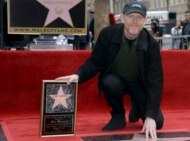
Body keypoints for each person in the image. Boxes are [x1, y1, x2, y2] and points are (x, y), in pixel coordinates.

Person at [56, 1, 164, 139]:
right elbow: (95, 62)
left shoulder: (151, 44)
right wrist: (78, 75)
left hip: (138, 85)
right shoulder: (108, 34)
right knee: (109, 82)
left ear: (145, 21)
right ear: (123, 18)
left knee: (158, 122)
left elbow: (155, 81)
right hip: (116, 80)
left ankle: (137, 107)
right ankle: (118, 116)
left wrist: (150, 116)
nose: (135, 21)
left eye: (139, 17)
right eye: (131, 16)